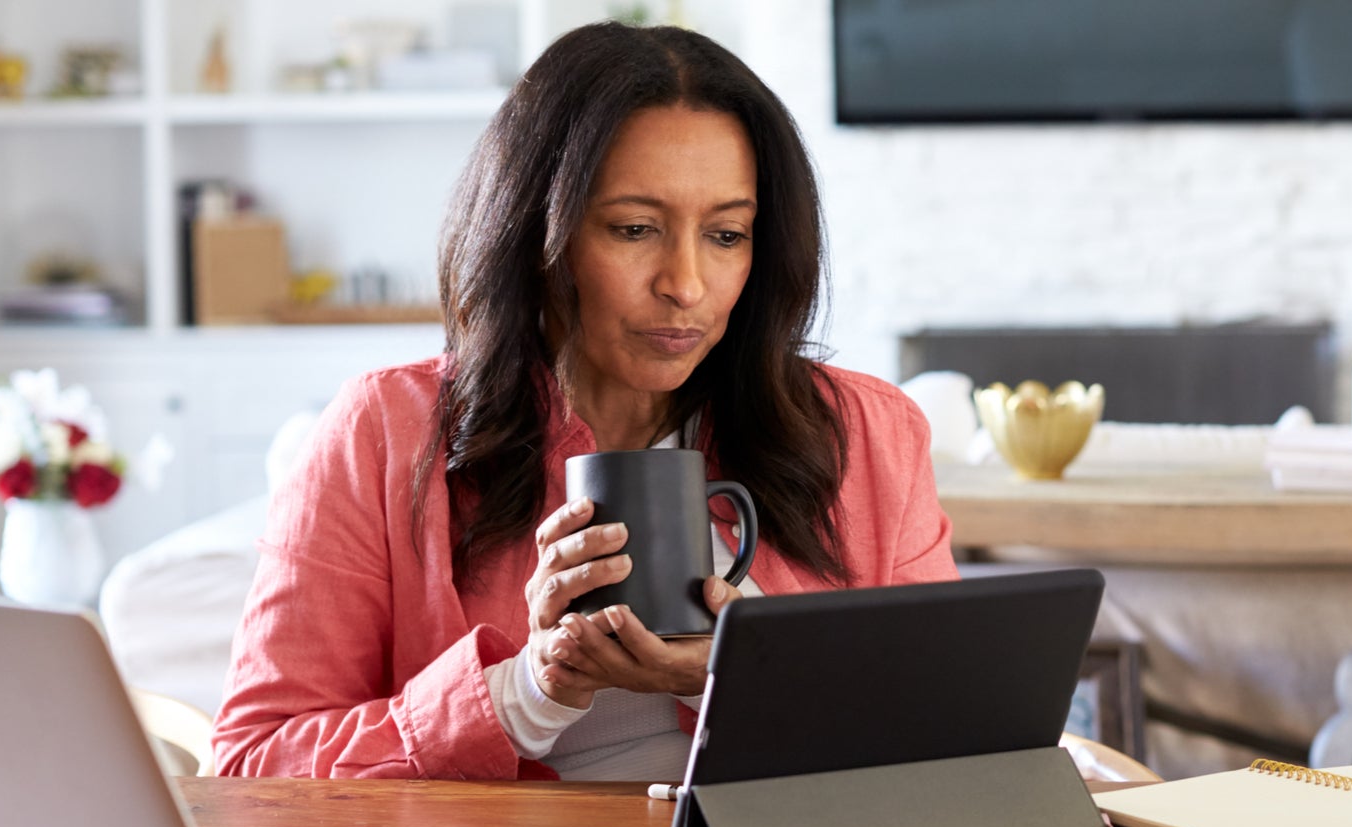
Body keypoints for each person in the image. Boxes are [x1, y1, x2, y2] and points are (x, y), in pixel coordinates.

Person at [212, 23, 959, 781]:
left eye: (727, 235)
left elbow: (960, 735)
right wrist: (525, 692)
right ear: (536, 234)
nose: (686, 284)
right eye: (635, 229)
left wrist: (757, 683)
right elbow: (251, 769)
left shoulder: (866, 435)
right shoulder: (387, 432)